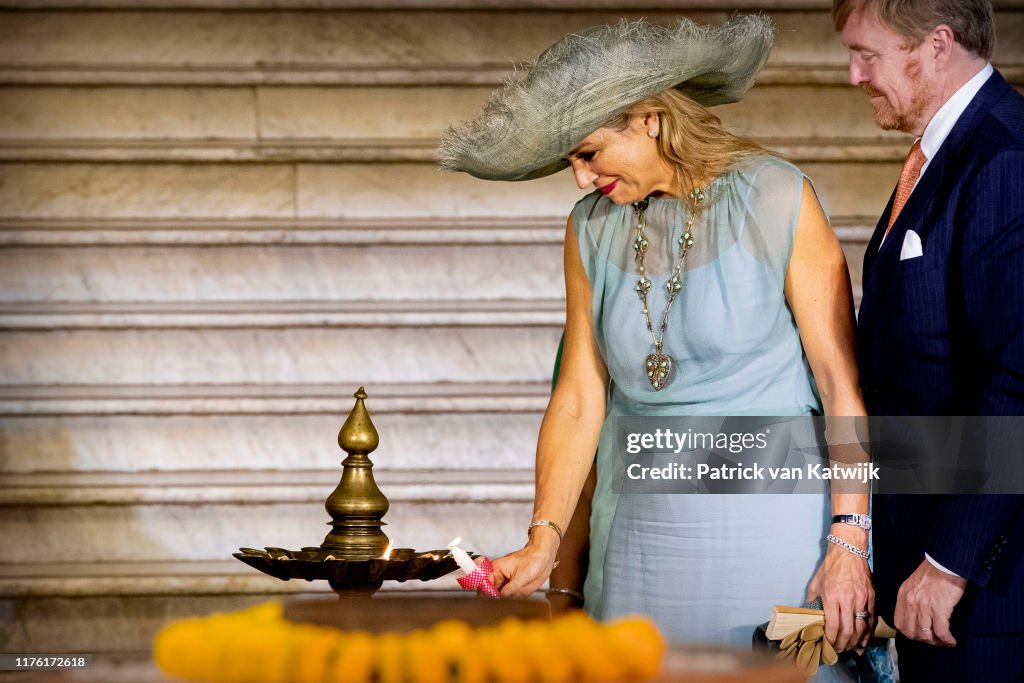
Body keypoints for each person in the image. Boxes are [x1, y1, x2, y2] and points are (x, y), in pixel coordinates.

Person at [439, 15, 874, 671]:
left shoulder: (780, 196)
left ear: (648, 118)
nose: (582, 178)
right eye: (570, 162)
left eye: (587, 153)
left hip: (772, 538)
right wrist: (544, 540)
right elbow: (580, 397)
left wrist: (852, 541)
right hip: (637, 545)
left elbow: (841, 384)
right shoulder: (589, 226)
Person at [832, 0, 1024, 679]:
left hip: (985, 597)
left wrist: (948, 563)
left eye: (868, 54)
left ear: (938, 45)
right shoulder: (946, 149)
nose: (854, 76)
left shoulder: (1005, 156)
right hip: (923, 579)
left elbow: (1017, 382)